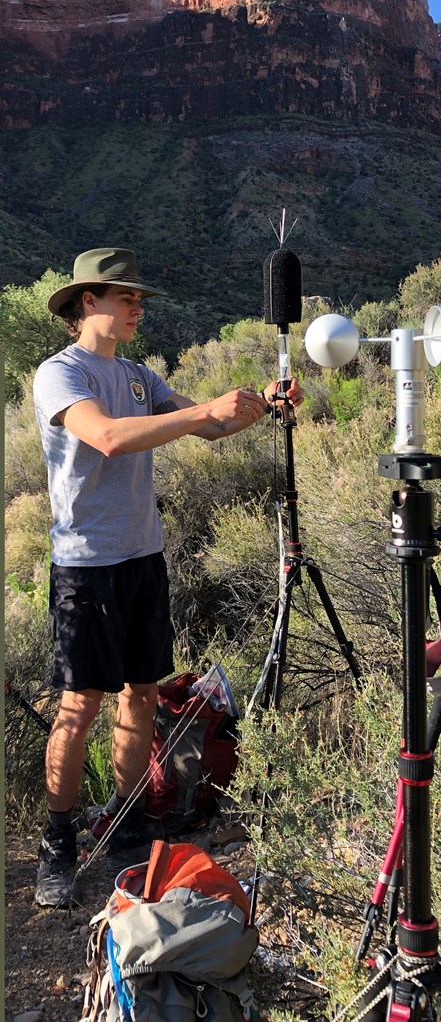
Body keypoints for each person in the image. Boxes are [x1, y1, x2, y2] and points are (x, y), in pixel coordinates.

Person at [32, 247, 303, 906]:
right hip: (86, 567)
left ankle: (127, 823)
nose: (136, 307)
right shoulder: (60, 374)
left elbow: (211, 425)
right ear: (87, 302)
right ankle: (57, 843)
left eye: (139, 299)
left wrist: (261, 402)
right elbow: (107, 438)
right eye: (126, 296)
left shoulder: (135, 373)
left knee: (141, 694)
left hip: (141, 560)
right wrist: (197, 412)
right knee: (80, 703)